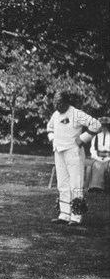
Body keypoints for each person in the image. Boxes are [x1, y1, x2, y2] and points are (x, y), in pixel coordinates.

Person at [47, 91, 101, 225]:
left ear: (66, 102)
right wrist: (53, 140)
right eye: (54, 102)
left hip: (73, 152)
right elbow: (49, 128)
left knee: (75, 184)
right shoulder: (56, 114)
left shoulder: (76, 113)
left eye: (58, 102)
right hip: (59, 152)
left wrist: (82, 139)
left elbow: (96, 125)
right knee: (62, 184)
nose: (56, 105)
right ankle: (64, 214)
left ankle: (76, 216)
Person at [88, 117, 110, 192]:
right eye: (102, 126)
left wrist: (108, 158)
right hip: (98, 158)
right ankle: (96, 187)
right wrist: (97, 157)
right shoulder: (96, 137)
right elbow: (92, 150)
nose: (104, 128)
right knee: (96, 166)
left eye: (106, 126)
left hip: (109, 158)